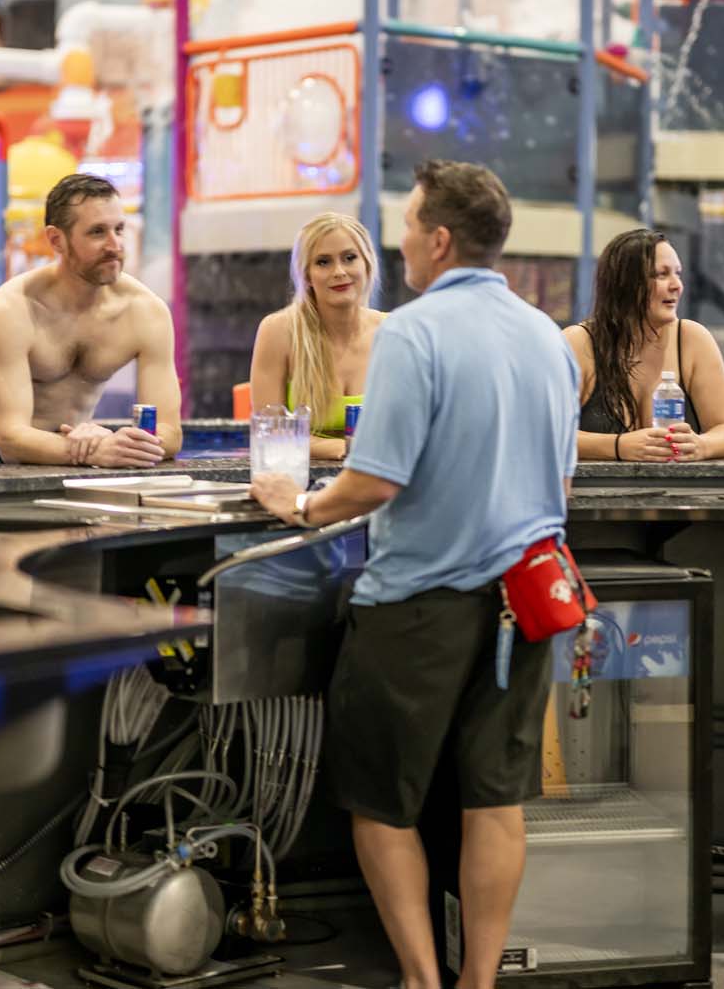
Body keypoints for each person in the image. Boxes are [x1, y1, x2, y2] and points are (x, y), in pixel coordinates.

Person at [249, 160, 580, 989]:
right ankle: (478, 984)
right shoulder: (546, 334)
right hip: (527, 605)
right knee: (492, 799)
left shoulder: (413, 332)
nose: (392, 248)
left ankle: (422, 982)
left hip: (418, 609)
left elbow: (373, 480)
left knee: (380, 803)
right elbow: (561, 483)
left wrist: (296, 505)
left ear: (438, 239)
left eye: (403, 230)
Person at [0, 173, 180, 467]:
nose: (115, 245)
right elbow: (10, 440)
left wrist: (124, 444)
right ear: (56, 240)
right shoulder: (13, 308)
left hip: (75, 453)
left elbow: (171, 433)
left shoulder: (145, 311)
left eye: (120, 229)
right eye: (97, 232)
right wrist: (97, 451)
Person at [565, 228, 724, 461]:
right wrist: (618, 446)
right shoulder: (579, 343)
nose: (676, 285)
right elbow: (543, 433)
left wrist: (702, 445)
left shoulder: (693, 340)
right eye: (662, 274)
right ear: (626, 284)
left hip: (681, 495)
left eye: (678, 274)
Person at [248, 212, 386, 459]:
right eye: (323, 262)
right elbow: (269, 435)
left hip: (376, 481)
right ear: (307, 275)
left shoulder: (393, 332)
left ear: (367, 263)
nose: (339, 271)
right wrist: (347, 449)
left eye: (349, 258)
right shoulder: (278, 331)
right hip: (300, 481)